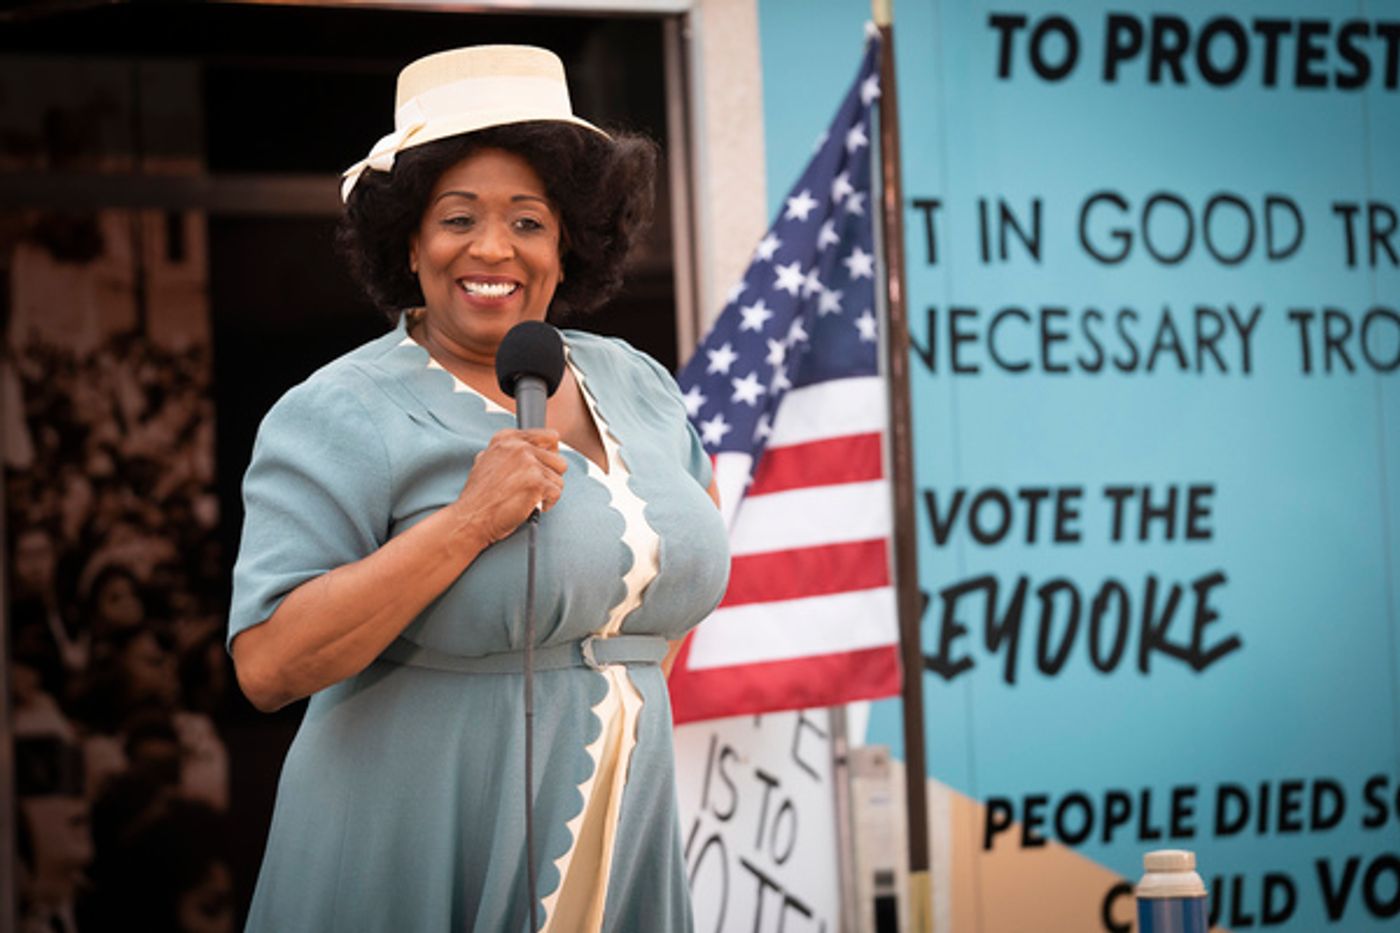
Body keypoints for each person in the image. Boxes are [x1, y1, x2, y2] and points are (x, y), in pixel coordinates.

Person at [226, 45, 730, 931]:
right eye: (457, 218)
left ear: (568, 240)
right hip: (411, 844)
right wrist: (465, 524)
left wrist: (602, 689)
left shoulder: (640, 383)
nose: (494, 247)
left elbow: (660, 600)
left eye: (528, 221)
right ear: (409, 241)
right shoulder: (338, 413)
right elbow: (269, 665)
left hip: (621, 836)